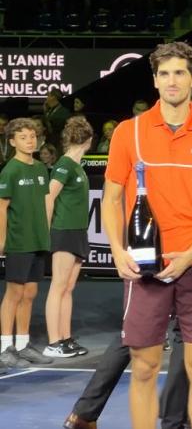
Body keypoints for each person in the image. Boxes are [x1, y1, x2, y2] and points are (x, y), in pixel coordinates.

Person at [102, 41, 192, 429]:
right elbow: (111, 198)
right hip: (144, 269)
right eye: (164, 74)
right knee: (144, 366)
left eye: (179, 73)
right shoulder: (129, 132)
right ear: (155, 81)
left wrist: (191, 254)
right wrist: (117, 249)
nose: (172, 81)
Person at [0, 118, 54, 367]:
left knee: (30, 293)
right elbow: (2, 209)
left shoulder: (41, 169)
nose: (30, 140)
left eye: (32, 136)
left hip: (37, 239)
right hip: (18, 240)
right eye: (23, 137)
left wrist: (46, 232)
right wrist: (1, 241)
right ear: (12, 142)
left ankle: (22, 344)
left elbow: (43, 204)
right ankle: (5, 347)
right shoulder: (10, 171)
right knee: (14, 292)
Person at [43, 116, 93, 359]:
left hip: (77, 231)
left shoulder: (76, 166)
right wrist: (45, 230)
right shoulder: (64, 165)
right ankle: (54, 341)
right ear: (89, 140)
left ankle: (65, 337)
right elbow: (49, 197)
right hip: (63, 231)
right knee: (59, 286)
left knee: (68, 287)